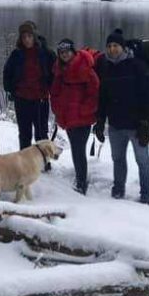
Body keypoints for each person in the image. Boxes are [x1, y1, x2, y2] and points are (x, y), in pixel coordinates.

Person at [94, 28, 149, 204]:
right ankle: (118, 189)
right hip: (115, 125)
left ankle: (147, 193)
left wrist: (146, 124)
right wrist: (100, 121)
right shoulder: (106, 67)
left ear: (122, 47)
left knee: (142, 161)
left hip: (137, 125)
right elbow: (103, 98)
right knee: (118, 159)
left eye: (116, 45)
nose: (112, 49)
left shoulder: (137, 66)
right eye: (109, 46)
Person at [50, 38, 100, 195]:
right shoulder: (59, 70)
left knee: (78, 150)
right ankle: (80, 178)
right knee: (76, 149)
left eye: (67, 52)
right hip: (68, 118)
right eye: (62, 53)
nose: (65, 55)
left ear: (73, 51)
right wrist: (58, 110)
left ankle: (81, 183)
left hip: (82, 118)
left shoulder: (84, 67)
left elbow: (94, 90)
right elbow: (55, 92)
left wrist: (85, 110)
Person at [2, 21, 55, 149]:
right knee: (25, 134)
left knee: (41, 133)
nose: (27, 40)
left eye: (29, 36)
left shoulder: (46, 53)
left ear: (35, 36)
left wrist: (52, 90)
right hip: (22, 99)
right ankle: (24, 163)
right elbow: (7, 73)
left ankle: (44, 161)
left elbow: (55, 73)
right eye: (24, 37)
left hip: (40, 99)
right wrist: (10, 90)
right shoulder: (16, 54)